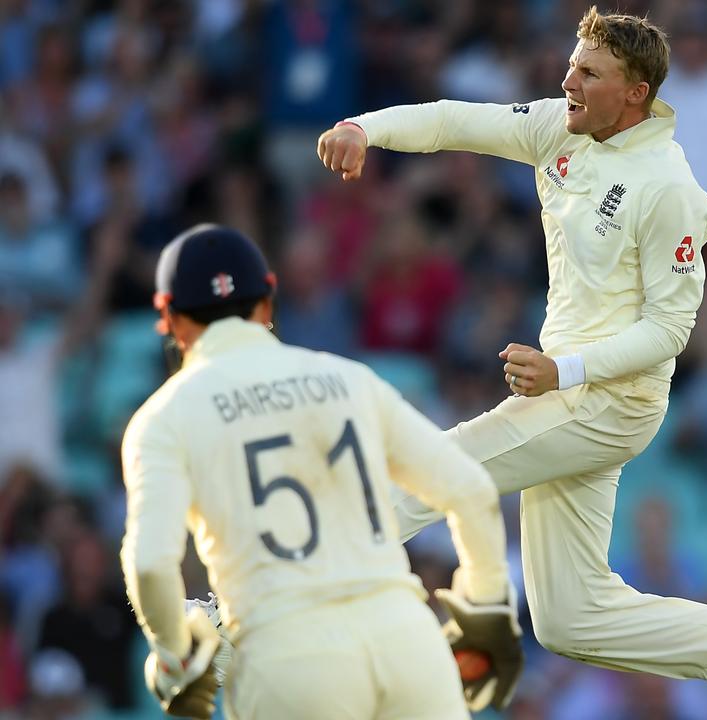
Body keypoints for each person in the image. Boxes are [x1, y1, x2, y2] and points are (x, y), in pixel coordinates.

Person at [314, 5, 707, 717]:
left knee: (436, 471)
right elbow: (451, 121)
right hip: (567, 393)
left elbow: (670, 330)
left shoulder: (670, 190)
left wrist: (564, 371)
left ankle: (250, 598)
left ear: (636, 94)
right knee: (571, 619)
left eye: (589, 73)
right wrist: (366, 128)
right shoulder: (559, 129)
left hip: (609, 403)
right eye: (571, 63)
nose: (567, 80)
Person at [120, 224, 520, 719]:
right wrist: (485, 610)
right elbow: (470, 490)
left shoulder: (163, 418)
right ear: (267, 302)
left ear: (171, 321)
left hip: (287, 659)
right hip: (407, 642)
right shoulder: (348, 378)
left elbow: (151, 566)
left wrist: (175, 654)